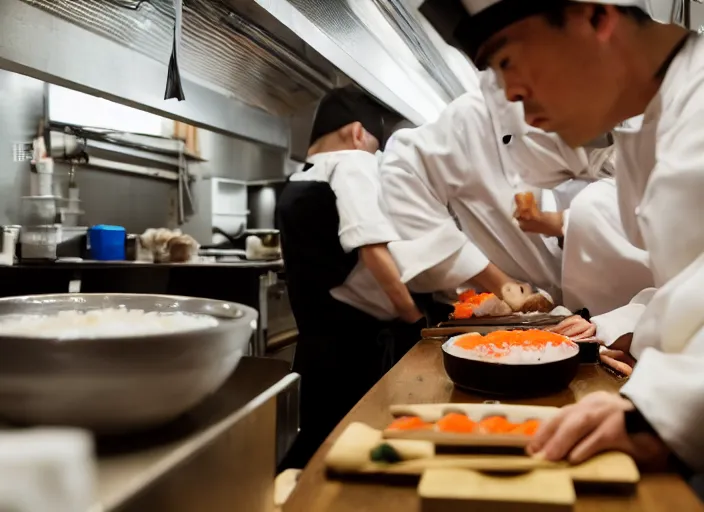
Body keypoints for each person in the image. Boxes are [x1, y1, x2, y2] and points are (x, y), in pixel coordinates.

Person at [420, 0, 704, 475]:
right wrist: (621, 324)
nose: (516, 101)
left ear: (594, 16)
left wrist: (666, 410)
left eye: (508, 61)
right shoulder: (661, 119)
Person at [277, 88, 424, 468]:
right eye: (376, 148)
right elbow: (372, 247)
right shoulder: (354, 163)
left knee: (315, 444)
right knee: (353, 448)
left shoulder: (299, 180)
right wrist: (414, 318)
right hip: (356, 347)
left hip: (316, 343)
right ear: (359, 134)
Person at [380, 67, 597, 313]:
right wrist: (500, 284)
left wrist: (563, 223)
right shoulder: (476, 119)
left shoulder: (622, 114)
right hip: (515, 315)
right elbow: (403, 173)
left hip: (606, 311)